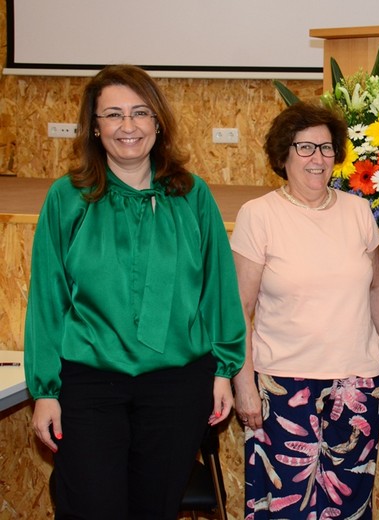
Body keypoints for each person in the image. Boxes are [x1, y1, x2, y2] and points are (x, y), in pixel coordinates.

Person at [24, 65, 245, 518]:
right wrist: (45, 390)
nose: (128, 125)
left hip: (177, 386)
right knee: (92, 507)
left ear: (158, 122)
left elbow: (218, 290)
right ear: (95, 127)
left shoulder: (192, 195)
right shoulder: (68, 198)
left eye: (140, 112)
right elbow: (48, 299)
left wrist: (224, 371)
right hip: (89, 386)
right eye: (113, 114)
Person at [230, 102, 379, 519]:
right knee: (287, 505)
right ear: (283, 155)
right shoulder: (259, 215)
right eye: (304, 147)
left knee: (348, 505)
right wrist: (243, 383)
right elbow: (239, 308)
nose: (317, 158)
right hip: (283, 385)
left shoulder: (358, 211)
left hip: (357, 383)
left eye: (326, 147)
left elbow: (378, 288)